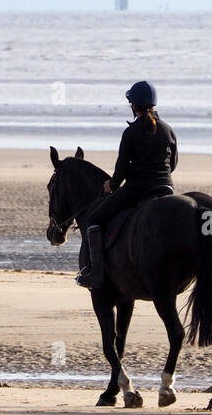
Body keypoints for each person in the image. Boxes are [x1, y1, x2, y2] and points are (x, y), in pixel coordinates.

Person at [76, 81, 178, 289]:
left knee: (94, 219)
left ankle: (96, 274)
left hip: (138, 189)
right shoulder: (168, 130)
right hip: (166, 188)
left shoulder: (131, 133)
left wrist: (111, 185)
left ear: (133, 105)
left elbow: (121, 169)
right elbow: (173, 164)